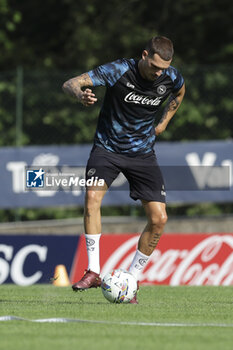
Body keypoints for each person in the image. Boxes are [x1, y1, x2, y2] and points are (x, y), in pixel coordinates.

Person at [63, 36, 185, 304]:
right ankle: (93, 271)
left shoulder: (170, 77)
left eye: (163, 68)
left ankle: (131, 279)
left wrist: (164, 122)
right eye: (154, 66)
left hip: (142, 154)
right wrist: (80, 94)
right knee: (92, 198)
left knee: (159, 219)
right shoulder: (119, 70)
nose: (158, 73)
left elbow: (179, 92)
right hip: (107, 148)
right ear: (144, 54)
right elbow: (70, 83)